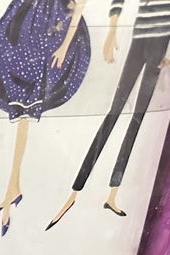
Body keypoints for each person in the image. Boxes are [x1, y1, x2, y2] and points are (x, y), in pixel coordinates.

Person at [47, 0, 170, 228]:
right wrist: (112, 31)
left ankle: (112, 193)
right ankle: (75, 192)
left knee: (137, 117)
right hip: (140, 37)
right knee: (115, 112)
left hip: (160, 41)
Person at [0, 0, 90, 236]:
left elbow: (79, 6)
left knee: (26, 106)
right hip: (23, 29)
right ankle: (13, 186)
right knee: (20, 105)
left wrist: (64, 46)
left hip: (50, 34)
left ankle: (13, 186)